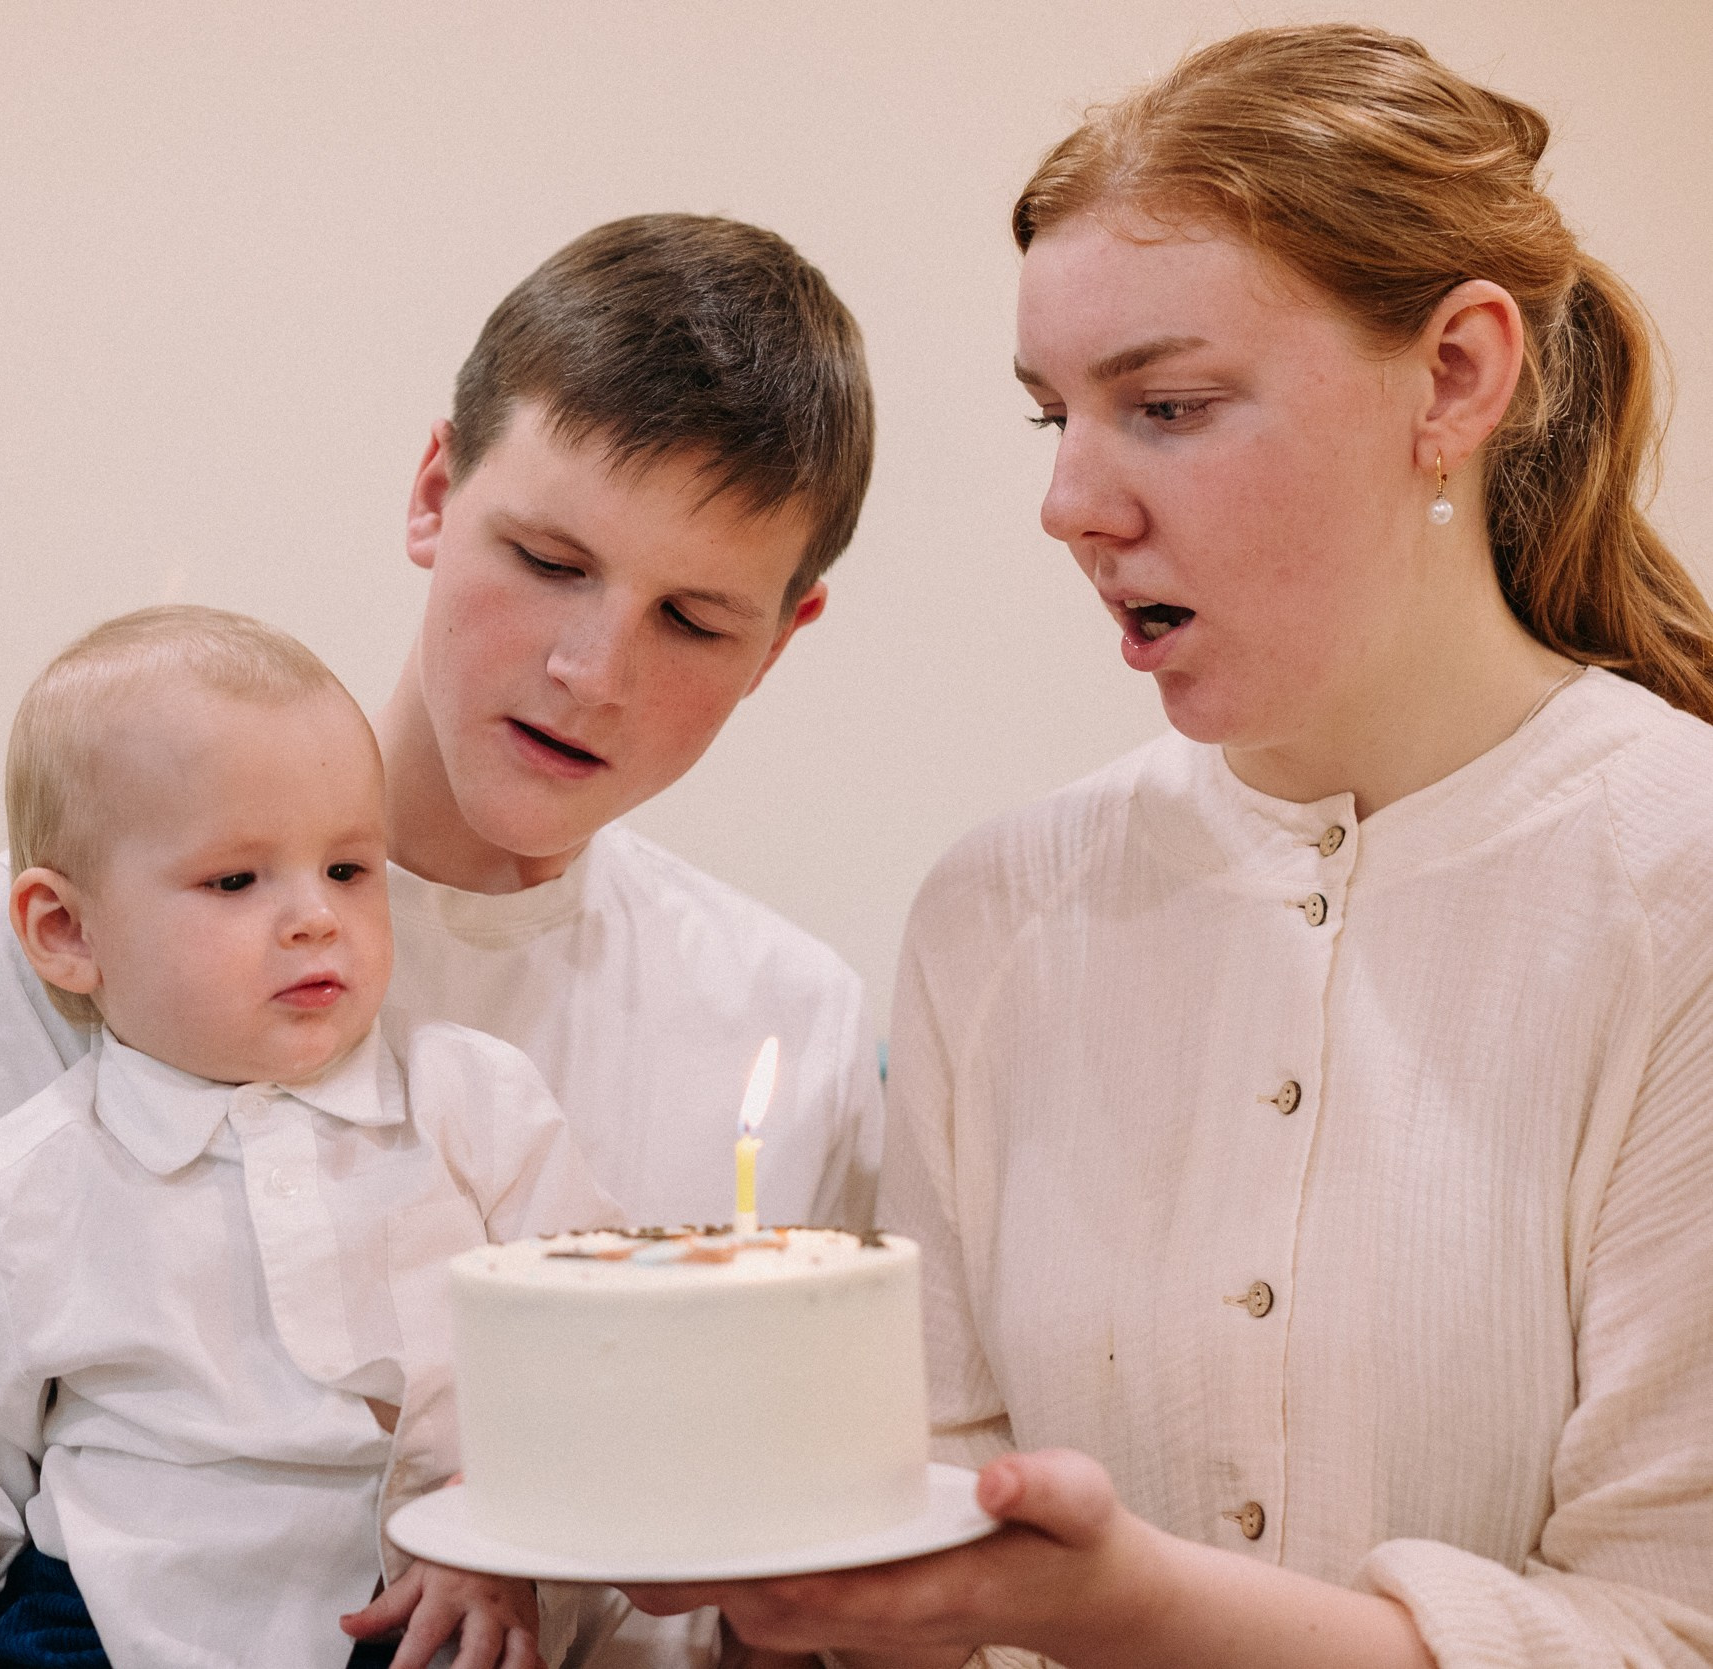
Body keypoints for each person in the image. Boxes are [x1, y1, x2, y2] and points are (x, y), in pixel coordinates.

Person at [625, 24, 1713, 1668]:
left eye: (1168, 404)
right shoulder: (997, 911)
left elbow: (1669, 1621)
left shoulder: (1675, 878)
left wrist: (1132, 1605)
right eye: (1054, 412)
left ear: (1459, 377)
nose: (1072, 499)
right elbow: (915, 1551)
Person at [0, 214, 886, 1669]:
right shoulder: (77, 938)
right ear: (437, 490)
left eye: (693, 619)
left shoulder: (784, 1016)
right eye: (550, 559)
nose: (590, 671)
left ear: (783, 640)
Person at [0, 607, 622, 1669]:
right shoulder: (6, 1194)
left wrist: (497, 1524)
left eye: (347, 868)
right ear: (66, 932)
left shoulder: (477, 1108)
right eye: (236, 881)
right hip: (92, 1631)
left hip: (412, 1613)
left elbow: (605, 1351)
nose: (314, 917)